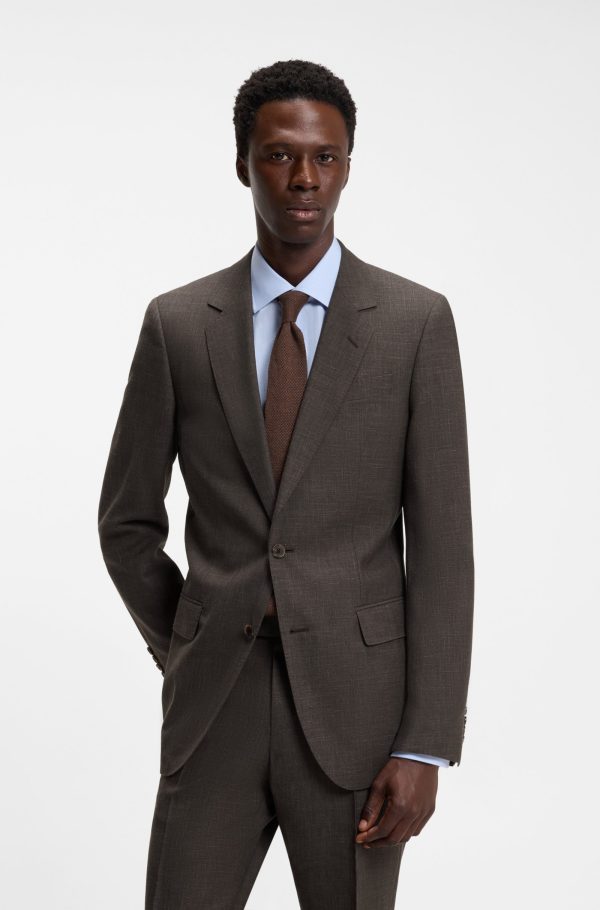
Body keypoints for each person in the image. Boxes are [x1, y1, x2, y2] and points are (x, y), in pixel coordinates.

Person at [98, 58, 475, 910]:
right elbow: (125, 523)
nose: (304, 178)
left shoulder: (415, 324)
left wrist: (424, 743)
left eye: (324, 157)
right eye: (279, 155)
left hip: (358, 717)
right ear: (243, 164)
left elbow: (444, 549)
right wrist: (186, 638)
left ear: (347, 166)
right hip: (215, 707)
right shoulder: (179, 325)